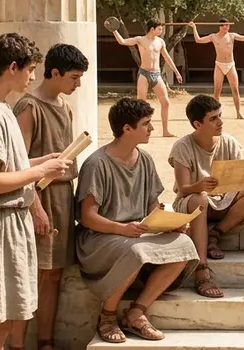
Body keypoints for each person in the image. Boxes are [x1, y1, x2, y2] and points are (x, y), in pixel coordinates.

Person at [0, 33, 73, 350]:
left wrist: (38, 160)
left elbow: (4, 167)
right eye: (31, 69)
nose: (33, 77)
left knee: (2, 322)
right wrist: (39, 172)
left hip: (6, 225)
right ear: (12, 67)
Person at [76, 97, 199, 343]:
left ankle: (136, 311)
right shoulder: (97, 164)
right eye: (146, 124)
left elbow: (152, 203)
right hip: (99, 238)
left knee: (184, 245)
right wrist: (122, 229)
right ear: (127, 129)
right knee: (137, 252)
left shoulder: (145, 159)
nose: (152, 129)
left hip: (136, 233)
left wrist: (168, 222)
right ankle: (107, 316)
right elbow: (87, 217)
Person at [12, 43, 88, 350]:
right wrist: (36, 209)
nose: (78, 84)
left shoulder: (65, 107)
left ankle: (46, 343)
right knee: (29, 277)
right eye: (73, 77)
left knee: (53, 276)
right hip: (37, 200)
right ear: (54, 73)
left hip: (62, 199)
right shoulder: (28, 107)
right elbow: (17, 164)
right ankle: (16, 345)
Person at [169, 94, 244, 298]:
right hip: (192, 202)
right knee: (200, 198)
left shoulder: (229, 142)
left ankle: (216, 234)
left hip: (223, 201)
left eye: (220, 116)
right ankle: (201, 269)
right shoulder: (182, 146)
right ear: (197, 124)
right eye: (213, 119)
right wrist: (199, 185)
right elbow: (183, 189)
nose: (220, 122)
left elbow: (240, 181)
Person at [110, 20, 183, 137]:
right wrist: (114, 30)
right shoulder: (140, 40)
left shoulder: (160, 42)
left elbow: (167, 57)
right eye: (159, 29)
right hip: (144, 74)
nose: (161, 31)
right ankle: (141, 130)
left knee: (166, 102)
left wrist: (177, 72)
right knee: (141, 104)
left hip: (157, 74)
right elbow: (122, 41)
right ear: (152, 29)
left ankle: (165, 131)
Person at [190, 19, 244, 119]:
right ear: (220, 26)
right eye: (225, 25)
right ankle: (216, 114)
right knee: (217, 91)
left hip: (230, 64)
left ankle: (238, 113)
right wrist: (194, 28)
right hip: (219, 64)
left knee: (235, 90)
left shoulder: (232, 35)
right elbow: (198, 40)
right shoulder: (213, 36)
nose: (227, 27)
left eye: (228, 25)